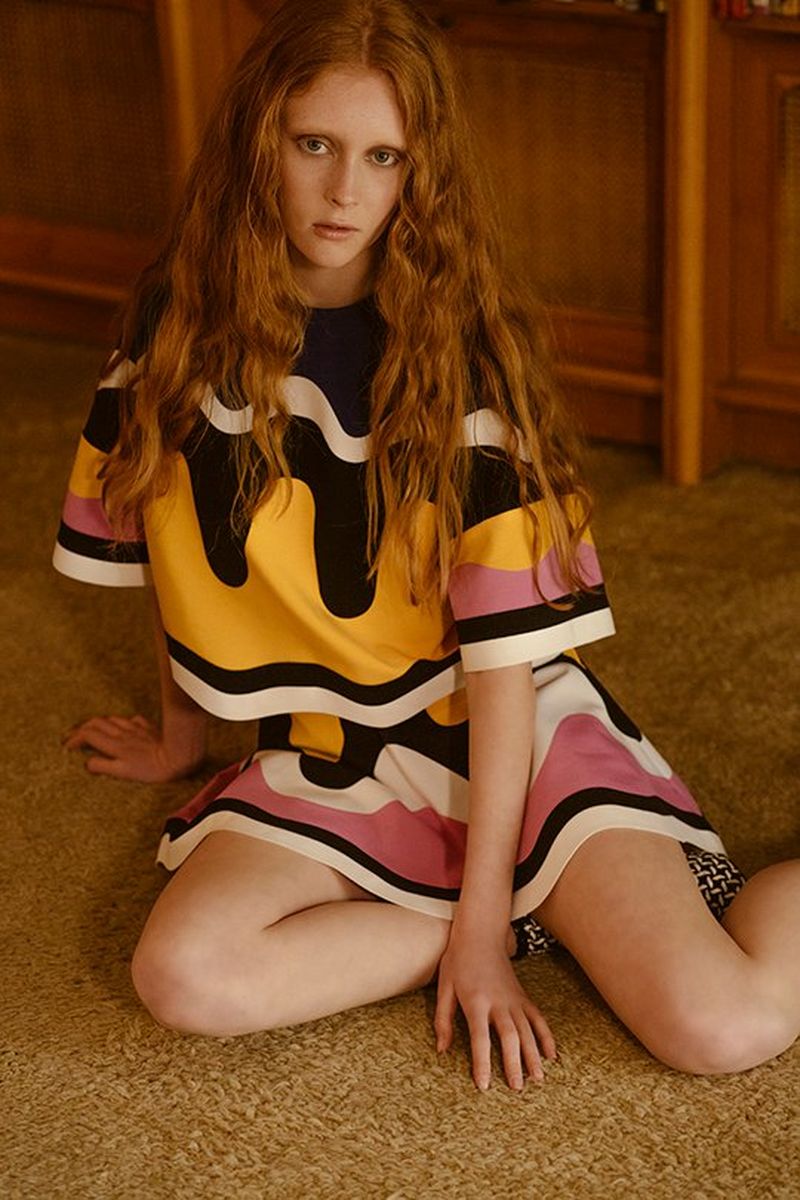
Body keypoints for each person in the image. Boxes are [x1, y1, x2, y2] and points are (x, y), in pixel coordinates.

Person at [55, 0, 799, 1092]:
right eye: (313, 144)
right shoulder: (173, 329)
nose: (345, 191)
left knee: (721, 1028)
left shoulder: (464, 371)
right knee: (184, 978)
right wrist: (183, 735)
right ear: (260, 141)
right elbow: (170, 555)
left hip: (509, 740)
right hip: (328, 748)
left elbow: (502, 671)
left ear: (420, 174)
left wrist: (485, 930)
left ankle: (516, 902)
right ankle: (492, 913)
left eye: (382, 156)